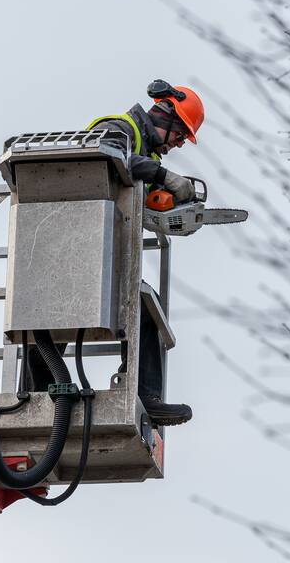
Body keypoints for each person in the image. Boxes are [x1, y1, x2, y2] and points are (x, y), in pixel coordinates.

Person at [86, 80, 205, 426]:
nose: (178, 144)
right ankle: (39, 393)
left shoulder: (148, 155)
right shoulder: (119, 128)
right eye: (180, 135)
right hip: (75, 243)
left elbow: (145, 197)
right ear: (166, 115)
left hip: (105, 253)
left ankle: (145, 396)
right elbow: (109, 154)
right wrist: (165, 175)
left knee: (144, 310)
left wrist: (176, 208)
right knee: (47, 330)